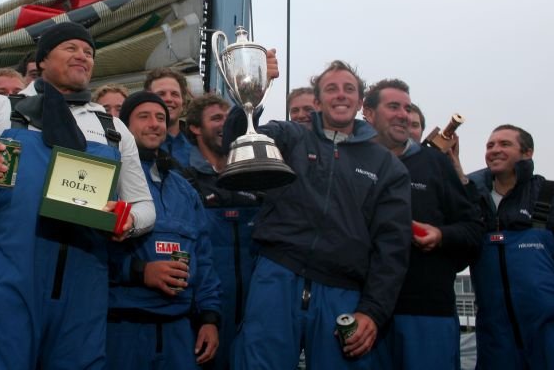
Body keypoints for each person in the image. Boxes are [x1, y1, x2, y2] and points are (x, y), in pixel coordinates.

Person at [0, 21, 156, 369]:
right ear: (43, 60)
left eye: (89, 52)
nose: (83, 56)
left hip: (83, 291)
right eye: (71, 48)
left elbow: (145, 207)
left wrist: (128, 221)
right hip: (3, 284)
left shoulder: (112, 129)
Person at [226, 59, 412, 369]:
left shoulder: (387, 166)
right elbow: (236, 138)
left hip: (343, 289)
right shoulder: (289, 137)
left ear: (359, 101)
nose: (340, 95)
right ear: (316, 101)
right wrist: (253, 90)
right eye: (331, 89)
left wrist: (373, 310)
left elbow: (393, 246)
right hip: (277, 274)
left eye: (349, 89)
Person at [362, 79, 482, 370]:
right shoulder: (351, 159)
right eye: (393, 107)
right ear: (368, 113)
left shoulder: (435, 164)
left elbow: (473, 228)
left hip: (426, 312)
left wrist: (441, 235)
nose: (403, 114)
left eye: (406, 107)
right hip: (361, 312)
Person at [107, 91, 221, 368]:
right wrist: (140, 271)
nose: (155, 123)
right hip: (121, 329)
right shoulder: (111, 178)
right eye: (143, 117)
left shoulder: (184, 189)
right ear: (124, 125)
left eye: (160, 117)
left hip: (179, 332)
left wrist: (209, 318)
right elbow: (88, 252)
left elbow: (203, 258)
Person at [460, 125, 554, 369]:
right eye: (490, 145)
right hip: (495, 337)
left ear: (527, 153)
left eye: (505, 144)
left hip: (547, 332)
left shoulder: (549, 194)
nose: (495, 150)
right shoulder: (474, 200)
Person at [183, 93, 261, 370]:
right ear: (195, 128)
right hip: (204, 311)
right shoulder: (184, 178)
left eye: (229, 119)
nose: (225, 125)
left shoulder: (254, 175)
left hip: (253, 308)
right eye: (216, 118)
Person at [144, 68, 193, 167]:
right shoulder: (136, 145)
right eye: (161, 94)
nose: (169, 99)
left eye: (174, 94)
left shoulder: (199, 142)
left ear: (183, 102)